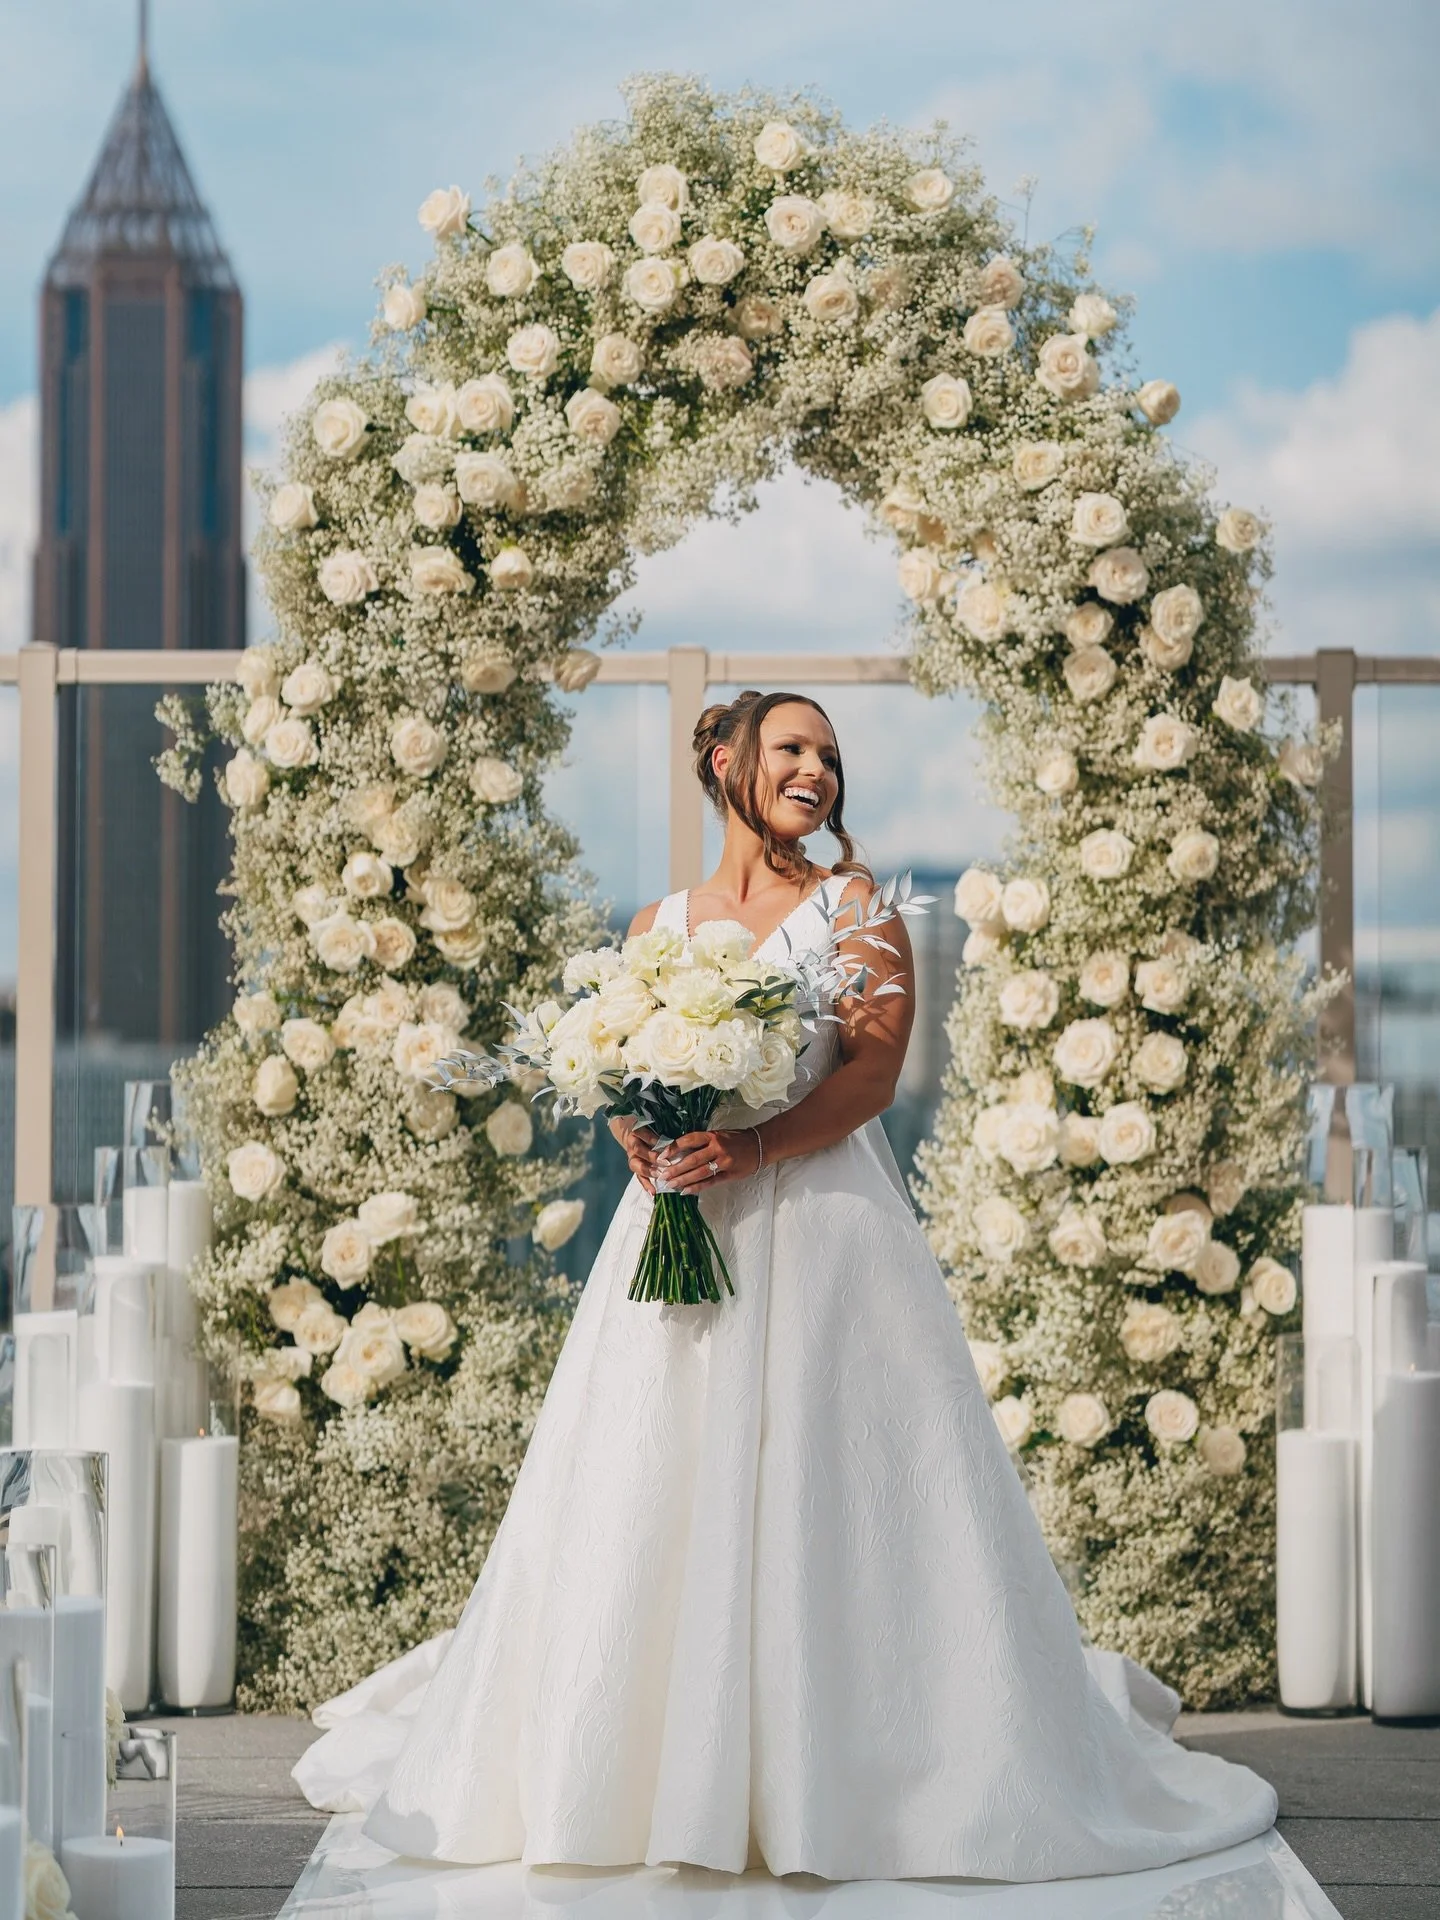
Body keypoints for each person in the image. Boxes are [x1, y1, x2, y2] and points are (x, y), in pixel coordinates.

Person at [295, 689, 1278, 1882]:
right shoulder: (658, 922)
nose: (818, 771)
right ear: (725, 762)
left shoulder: (856, 908)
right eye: (793, 748)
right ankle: (634, 1771)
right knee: (648, 1477)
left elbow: (870, 1075)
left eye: (831, 757)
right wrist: (637, 1132)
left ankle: (863, 1769)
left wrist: (754, 1147)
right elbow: (618, 1067)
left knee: (834, 1483)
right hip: (677, 1225)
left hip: (821, 1233)